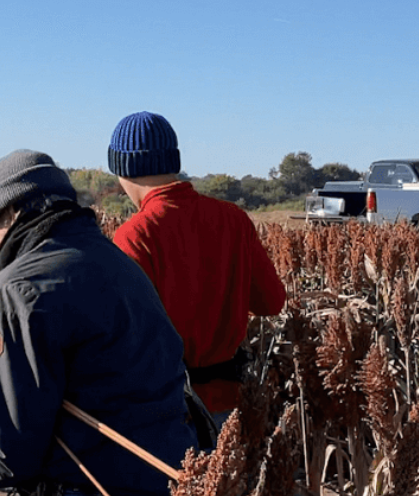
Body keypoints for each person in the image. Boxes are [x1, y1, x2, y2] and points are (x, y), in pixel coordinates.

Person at [0, 149, 198, 496]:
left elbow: (6, 453)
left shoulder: (18, 287)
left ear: (10, 213)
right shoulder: (120, 264)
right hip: (167, 479)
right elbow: (84, 369)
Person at [106, 112, 286, 425]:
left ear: (122, 169)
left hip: (170, 409)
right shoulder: (233, 219)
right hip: (232, 405)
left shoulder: (135, 235)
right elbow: (271, 302)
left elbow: (128, 339)